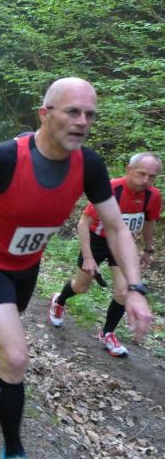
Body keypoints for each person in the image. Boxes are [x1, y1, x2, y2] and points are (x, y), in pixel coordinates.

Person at [0, 77, 153, 459]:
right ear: (44, 114)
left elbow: (116, 227)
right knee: (15, 356)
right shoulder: (5, 158)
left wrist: (134, 288)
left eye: (90, 114)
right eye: (73, 112)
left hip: (27, 262)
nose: (82, 121)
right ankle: (13, 448)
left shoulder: (89, 164)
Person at [48, 152, 161, 356]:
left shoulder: (153, 195)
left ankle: (107, 333)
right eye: (141, 174)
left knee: (123, 292)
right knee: (81, 286)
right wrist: (88, 257)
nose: (146, 180)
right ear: (129, 170)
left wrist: (148, 248)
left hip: (122, 245)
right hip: (96, 240)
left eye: (152, 176)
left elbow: (149, 222)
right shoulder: (111, 188)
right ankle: (59, 300)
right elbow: (84, 222)